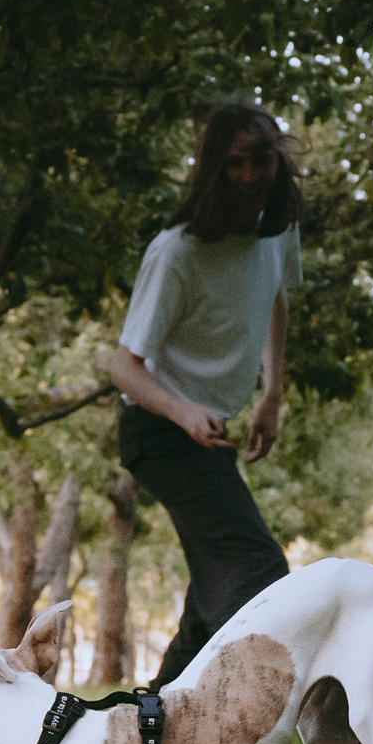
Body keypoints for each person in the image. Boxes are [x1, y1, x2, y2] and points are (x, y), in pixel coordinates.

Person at [105, 100, 303, 686]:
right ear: (213, 169)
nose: (248, 177)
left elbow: (276, 300)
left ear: (278, 161)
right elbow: (123, 365)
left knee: (214, 590)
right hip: (159, 431)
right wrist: (185, 410)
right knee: (256, 569)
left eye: (261, 160)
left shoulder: (278, 228)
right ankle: (224, 720)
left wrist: (272, 393)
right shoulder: (177, 253)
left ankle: (150, 725)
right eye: (235, 163)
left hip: (204, 434)